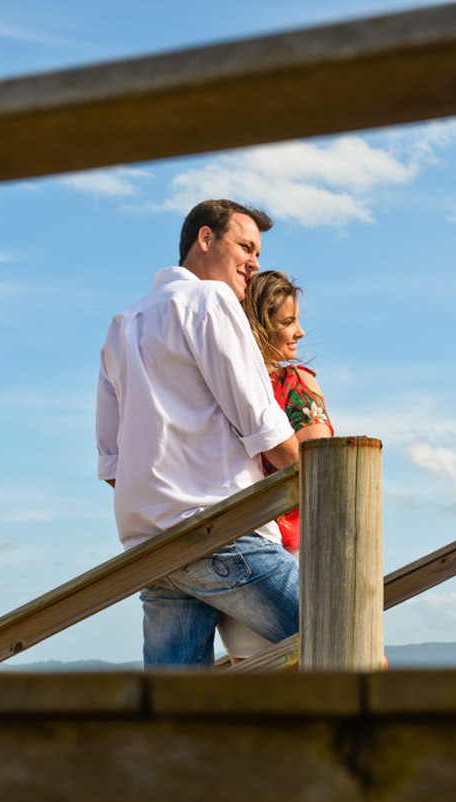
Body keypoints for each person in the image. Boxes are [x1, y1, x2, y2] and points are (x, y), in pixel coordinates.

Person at [95, 199, 301, 668]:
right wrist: (324, 483)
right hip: (224, 530)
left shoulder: (120, 326)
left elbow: (112, 462)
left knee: (177, 716)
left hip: (152, 550)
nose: (254, 263)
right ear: (205, 239)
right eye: (246, 247)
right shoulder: (210, 300)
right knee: (352, 642)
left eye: (259, 254)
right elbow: (262, 424)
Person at [217, 270, 334, 661]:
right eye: (287, 322)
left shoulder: (215, 392)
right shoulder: (295, 383)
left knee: (255, 670)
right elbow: (321, 469)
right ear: (258, 327)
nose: (299, 332)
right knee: (342, 649)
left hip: (235, 546)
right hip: (294, 549)